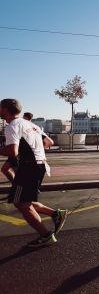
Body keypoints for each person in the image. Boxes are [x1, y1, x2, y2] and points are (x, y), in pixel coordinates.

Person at [0, 99, 67, 248]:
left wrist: (28, 154)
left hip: (29, 167)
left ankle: (45, 235)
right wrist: (36, 151)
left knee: (21, 203)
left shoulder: (12, 126)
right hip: (40, 165)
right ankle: (56, 214)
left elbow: (12, 151)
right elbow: (49, 141)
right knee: (26, 201)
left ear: (5, 110)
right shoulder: (31, 124)